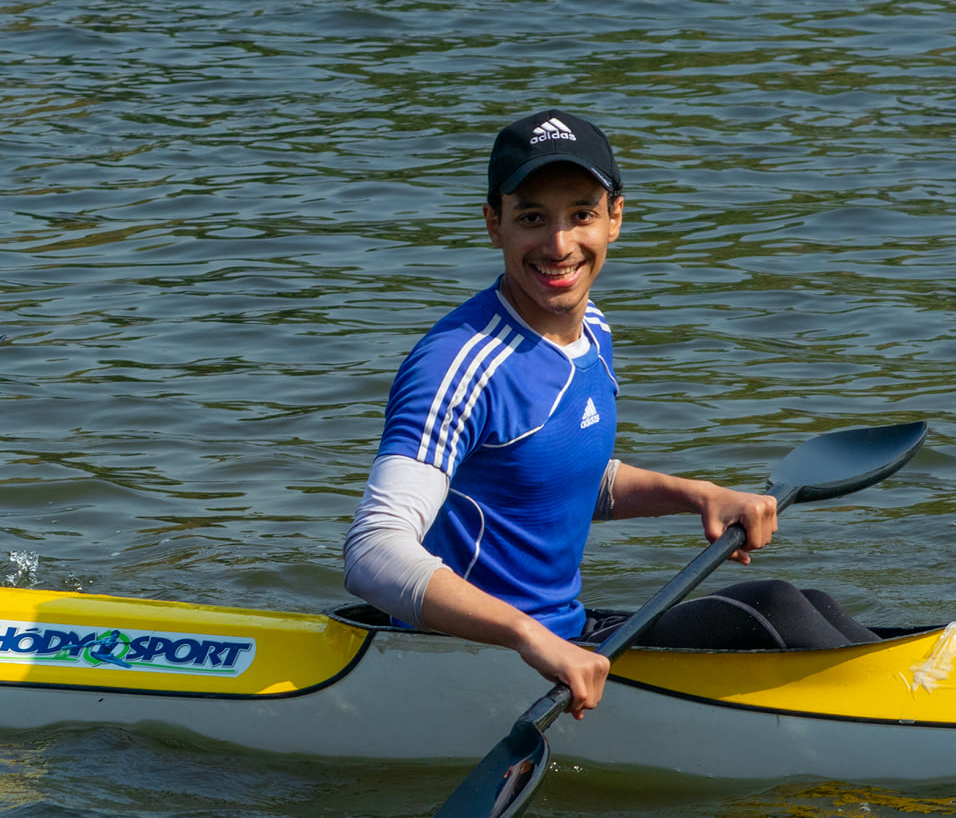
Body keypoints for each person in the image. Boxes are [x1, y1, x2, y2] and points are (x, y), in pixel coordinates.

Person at [342, 109, 875, 718]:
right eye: (532, 218)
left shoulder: (590, 331)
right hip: (467, 656)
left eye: (581, 215)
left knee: (809, 604)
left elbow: (550, 481)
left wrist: (697, 494)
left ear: (615, 217)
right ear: (494, 224)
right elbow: (374, 552)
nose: (559, 245)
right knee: (775, 611)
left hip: (560, 637)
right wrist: (528, 636)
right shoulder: (458, 365)